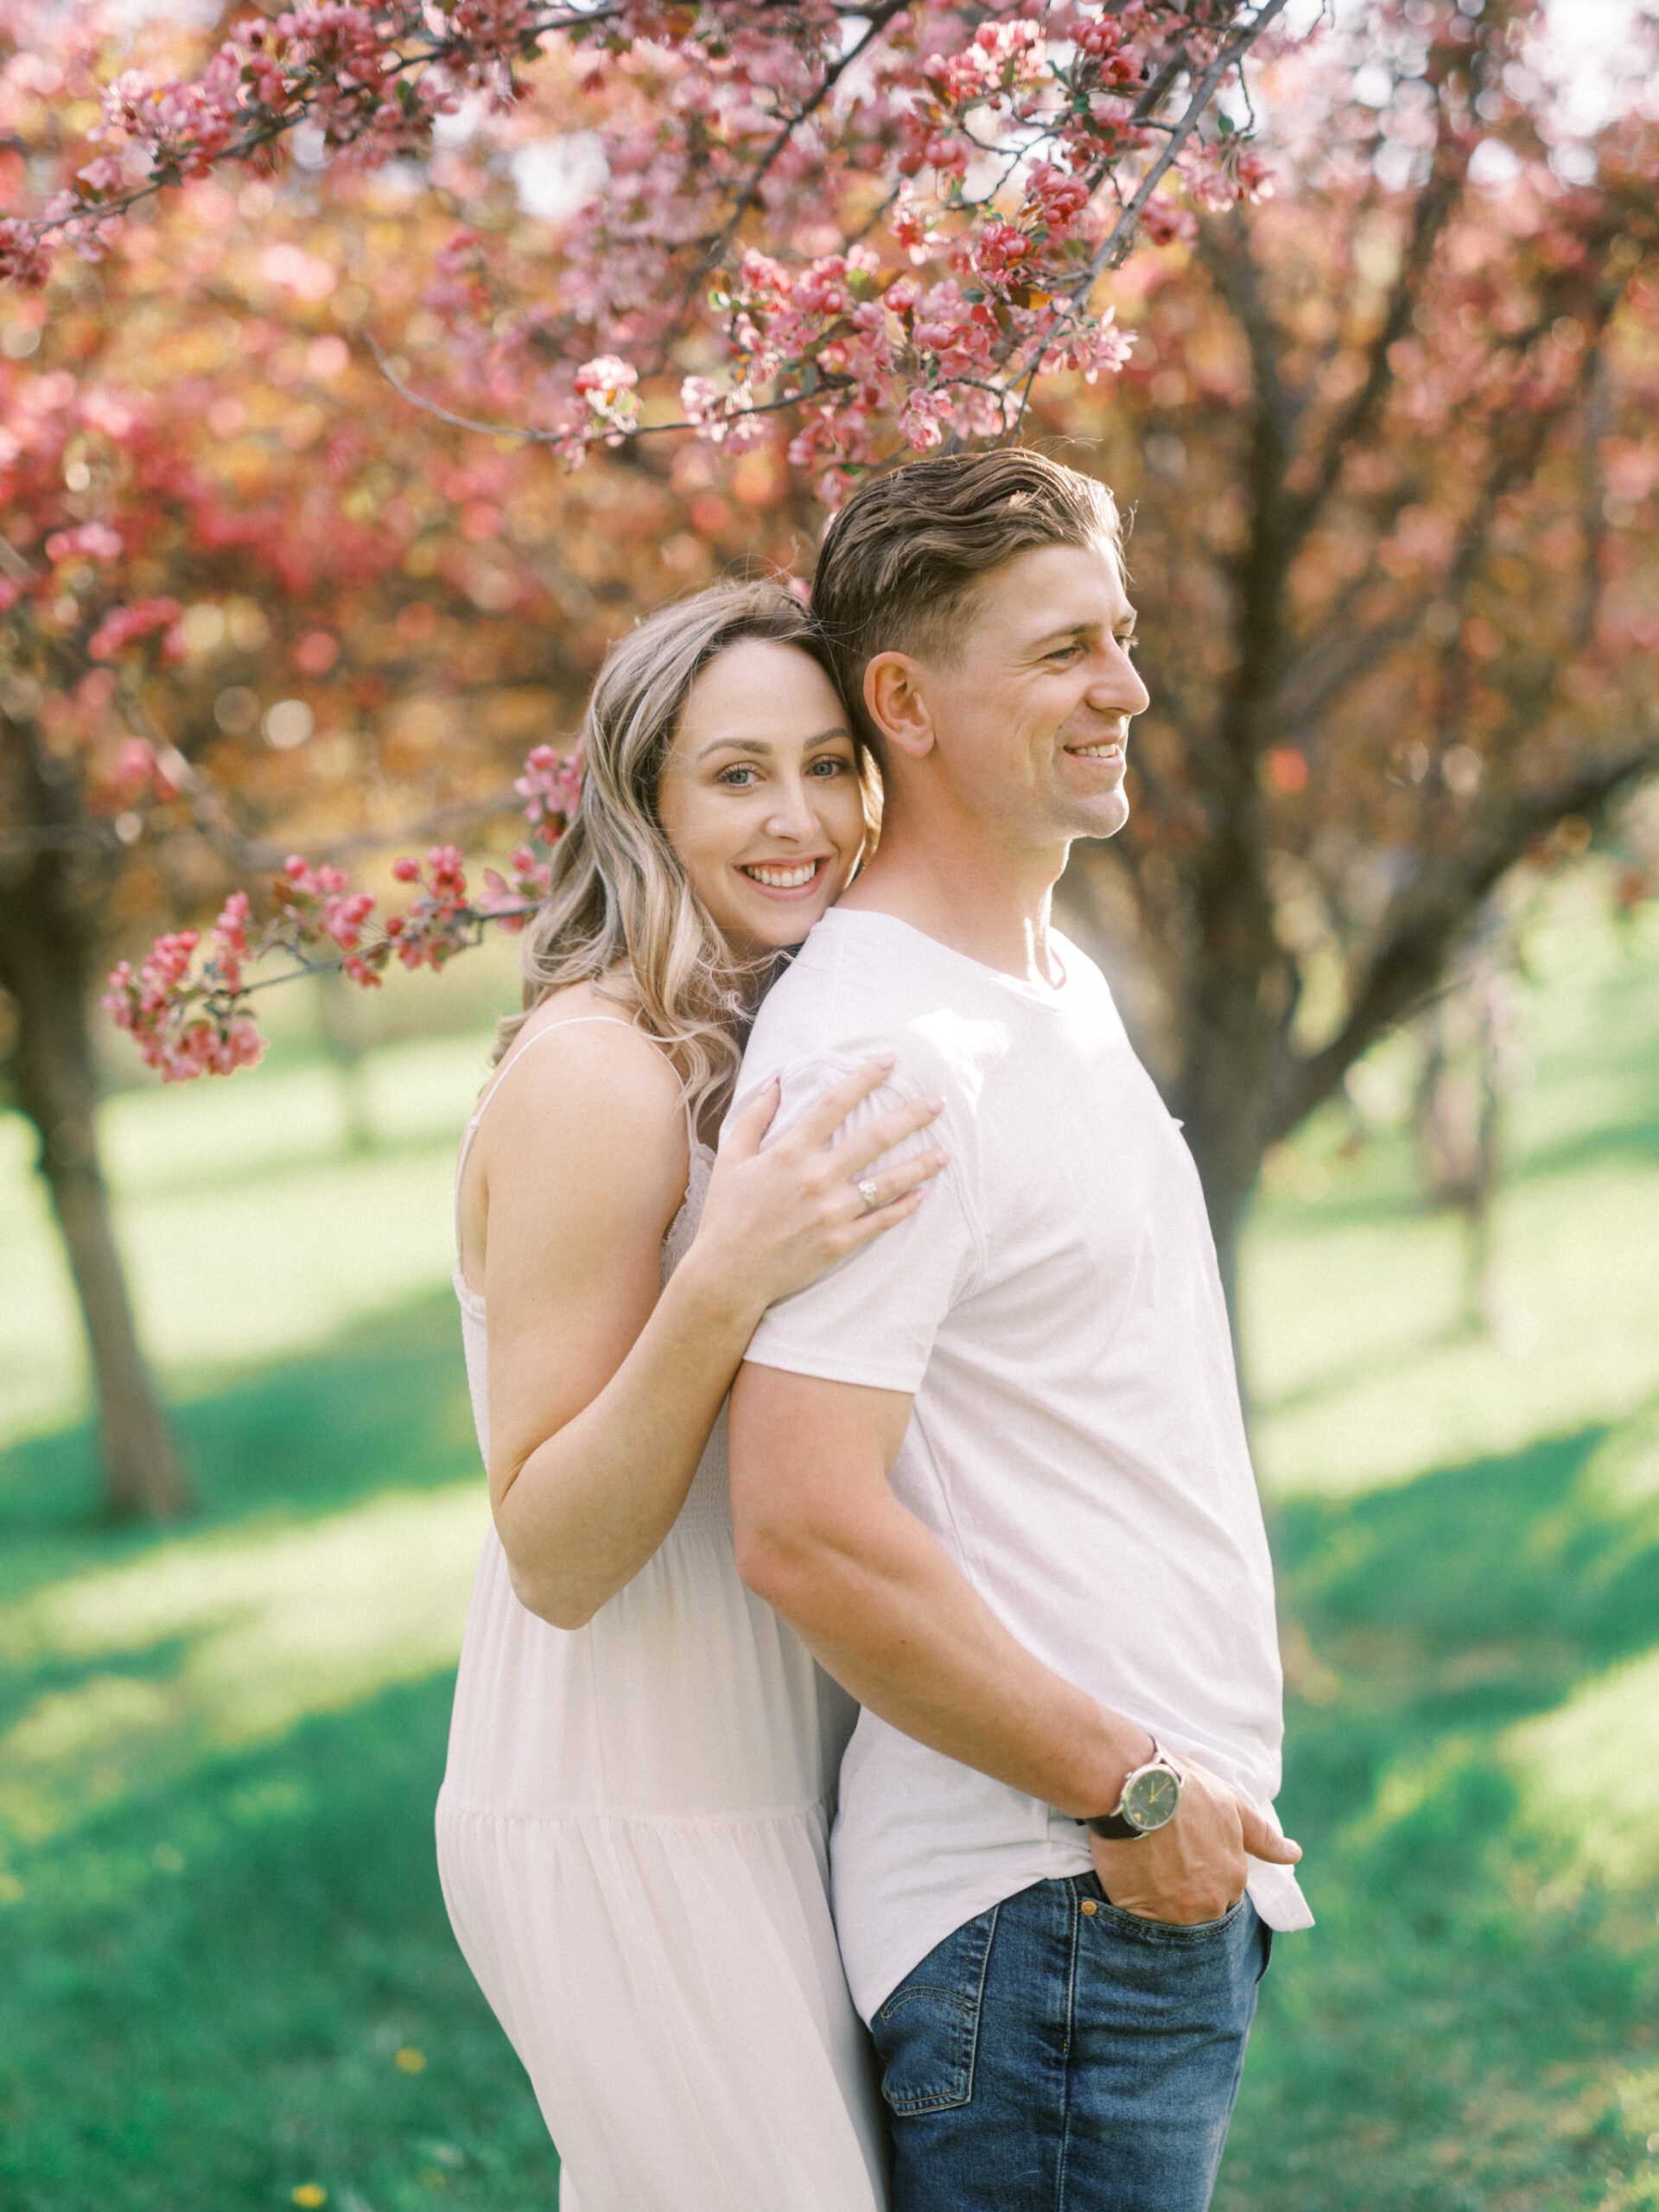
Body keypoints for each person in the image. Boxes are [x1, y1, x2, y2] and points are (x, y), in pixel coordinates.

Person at [725, 450, 1314, 2212]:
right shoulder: (882, 1057)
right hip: (1051, 1897)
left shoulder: (1047, 980)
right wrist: (1130, 1790)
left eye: (1121, 637)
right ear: (902, 700)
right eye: (1066, 650)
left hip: (1126, 1887)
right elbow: (803, 1521)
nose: (1127, 687)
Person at [436, 580, 948, 2211]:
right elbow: (556, 1554)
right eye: (736, 774)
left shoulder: (771, 1031)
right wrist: (726, 1272)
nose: (796, 818)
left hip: (771, 1779)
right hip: (627, 1798)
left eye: (825, 764)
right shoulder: (600, 1075)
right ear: (642, 797)